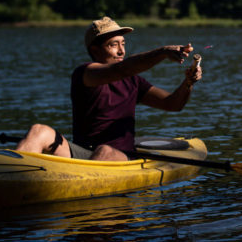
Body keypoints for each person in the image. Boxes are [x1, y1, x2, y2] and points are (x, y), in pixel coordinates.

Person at [16, 16, 202, 161]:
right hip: (82, 154)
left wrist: (188, 83)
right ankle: (13, 173)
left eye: (123, 44)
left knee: (104, 151)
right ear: (95, 50)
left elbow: (172, 104)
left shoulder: (133, 81)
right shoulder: (85, 73)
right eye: (113, 45)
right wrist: (162, 52)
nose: (121, 51)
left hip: (120, 157)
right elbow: (121, 69)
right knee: (39, 131)